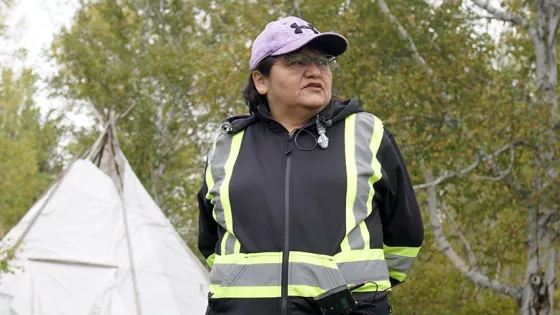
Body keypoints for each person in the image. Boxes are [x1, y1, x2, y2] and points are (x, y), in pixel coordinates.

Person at [197, 16, 424, 315]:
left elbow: (404, 236)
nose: (315, 71)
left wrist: (360, 294)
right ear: (260, 80)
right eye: (297, 62)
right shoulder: (227, 144)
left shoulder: (367, 134)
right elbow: (210, 240)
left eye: (323, 62)